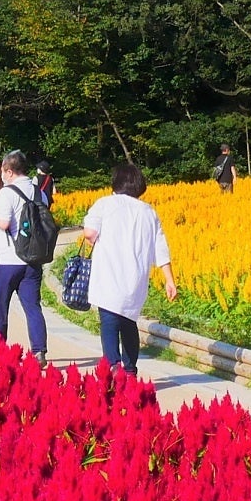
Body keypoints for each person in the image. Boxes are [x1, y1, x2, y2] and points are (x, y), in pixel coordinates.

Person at [75, 161, 176, 378]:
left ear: (116, 182)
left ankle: (113, 365)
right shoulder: (149, 212)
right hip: (135, 277)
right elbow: (161, 248)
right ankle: (130, 370)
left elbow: (89, 232)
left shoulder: (104, 204)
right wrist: (169, 280)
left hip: (109, 273)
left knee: (109, 320)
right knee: (129, 322)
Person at [0, 150, 50, 359]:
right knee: (32, 307)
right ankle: (39, 351)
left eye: (3, 171)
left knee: (0, 307)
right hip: (33, 259)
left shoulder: (7, 193)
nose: (2, 175)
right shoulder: (40, 192)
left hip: (9, 260)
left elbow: (3, 223)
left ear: (9, 171)